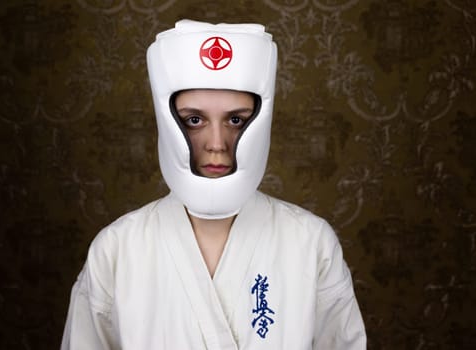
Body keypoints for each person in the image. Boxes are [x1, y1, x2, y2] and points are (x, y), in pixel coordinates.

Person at [61, 20, 366, 349]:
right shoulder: (117, 249)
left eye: (236, 120)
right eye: (194, 120)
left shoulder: (310, 243)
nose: (217, 143)